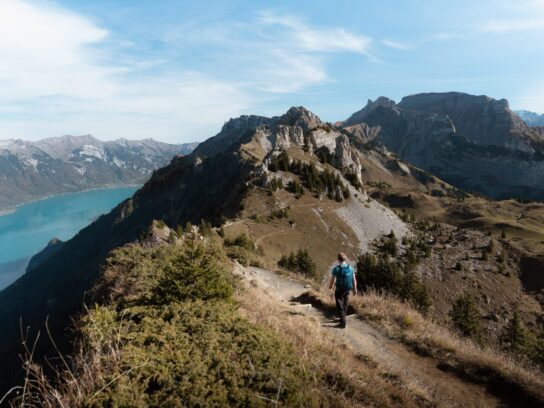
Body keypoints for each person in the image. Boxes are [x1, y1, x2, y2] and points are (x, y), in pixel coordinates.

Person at [328, 253, 357, 329]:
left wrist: (330, 286)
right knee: (345, 303)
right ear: (345, 259)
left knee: (339, 305)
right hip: (347, 289)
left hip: (339, 289)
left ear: (338, 259)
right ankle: (343, 318)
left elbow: (332, 280)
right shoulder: (350, 268)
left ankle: (343, 323)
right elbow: (354, 279)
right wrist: (355, 289)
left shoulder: (336, 269)